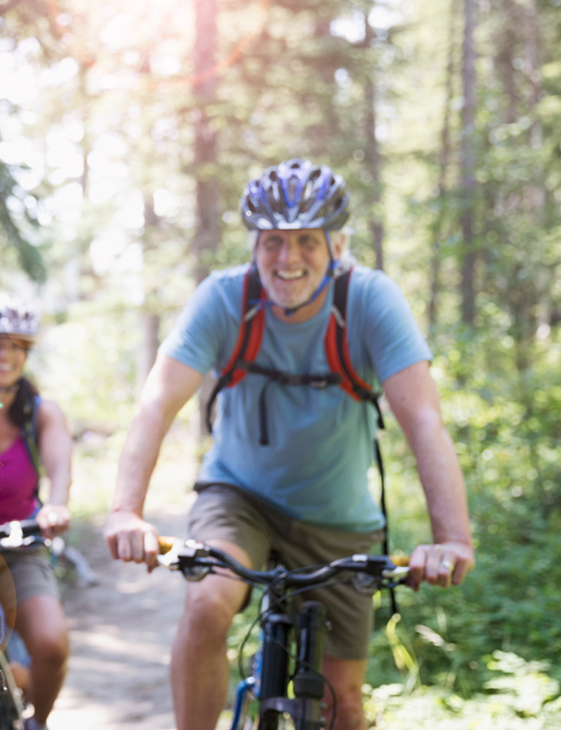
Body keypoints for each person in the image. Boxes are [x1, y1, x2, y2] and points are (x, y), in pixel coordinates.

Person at [102, 159, 475, 730]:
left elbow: (423, 421)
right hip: (239, 497)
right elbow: (157, 404)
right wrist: (126, 511)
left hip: (339, 516)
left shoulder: (370, 301)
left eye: (306, 240)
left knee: (343, 703)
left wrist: (451, 539)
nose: (287, 258)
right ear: (254, 243)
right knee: (208, 604)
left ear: (338, 244)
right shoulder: (225, 298)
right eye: (273, 241)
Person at [0, 295, 72, 730]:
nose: (6, 356)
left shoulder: (40, 413)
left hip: (20, 546)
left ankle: (39, 722)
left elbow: (59, 470)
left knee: (51, 644)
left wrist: (56, 505)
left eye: (18, 346)